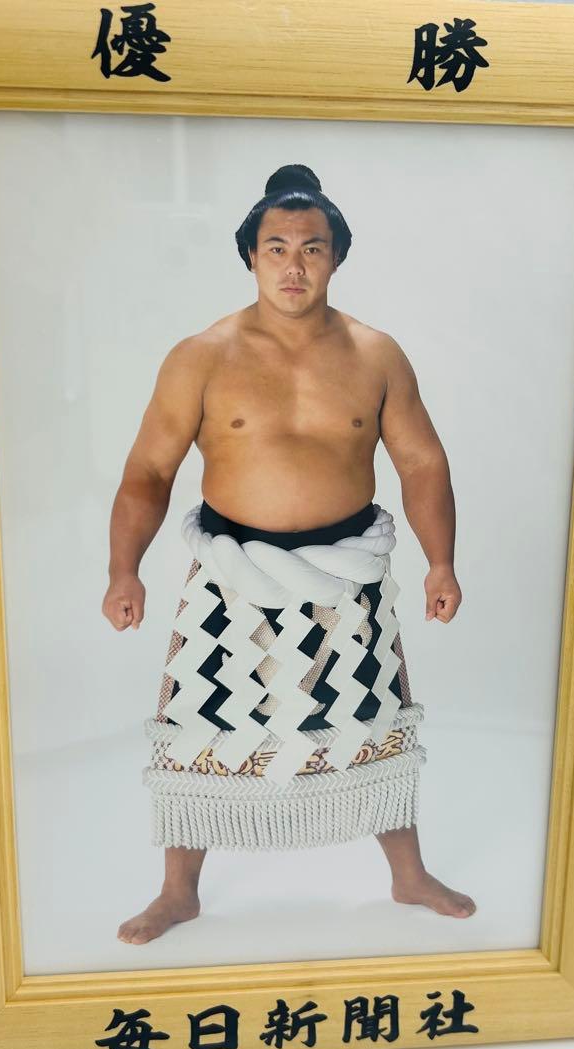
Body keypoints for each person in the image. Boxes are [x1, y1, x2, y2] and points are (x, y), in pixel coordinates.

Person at [103, 163, 474, 945]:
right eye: (277, 248)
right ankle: (178, 892)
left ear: (337, 256)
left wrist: (440, 561)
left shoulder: (377, 355)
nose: (294, 265)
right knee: (201, 722)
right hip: (231, 574)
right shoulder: (201, 356)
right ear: (251, 256)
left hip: (349, 575)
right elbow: (149, 471)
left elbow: (422, 463)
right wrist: (122, 569)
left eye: (312, 248)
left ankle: (408, 874)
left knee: (375, 719)